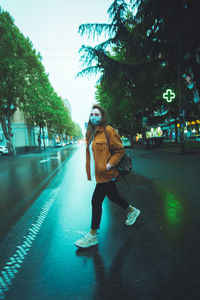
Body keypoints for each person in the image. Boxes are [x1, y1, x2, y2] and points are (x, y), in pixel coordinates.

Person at [75, 104, 140, 248]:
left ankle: (92, 235)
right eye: (92, 114)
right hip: (100, 174)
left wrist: (109, 165)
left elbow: (119, 151)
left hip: (108, 173)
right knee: (112, 196)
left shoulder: (109, 131)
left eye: (97, 114)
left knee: (96, 201)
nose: (94, 116)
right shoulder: (92, 133)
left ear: (102, 117)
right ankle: (132, 210)